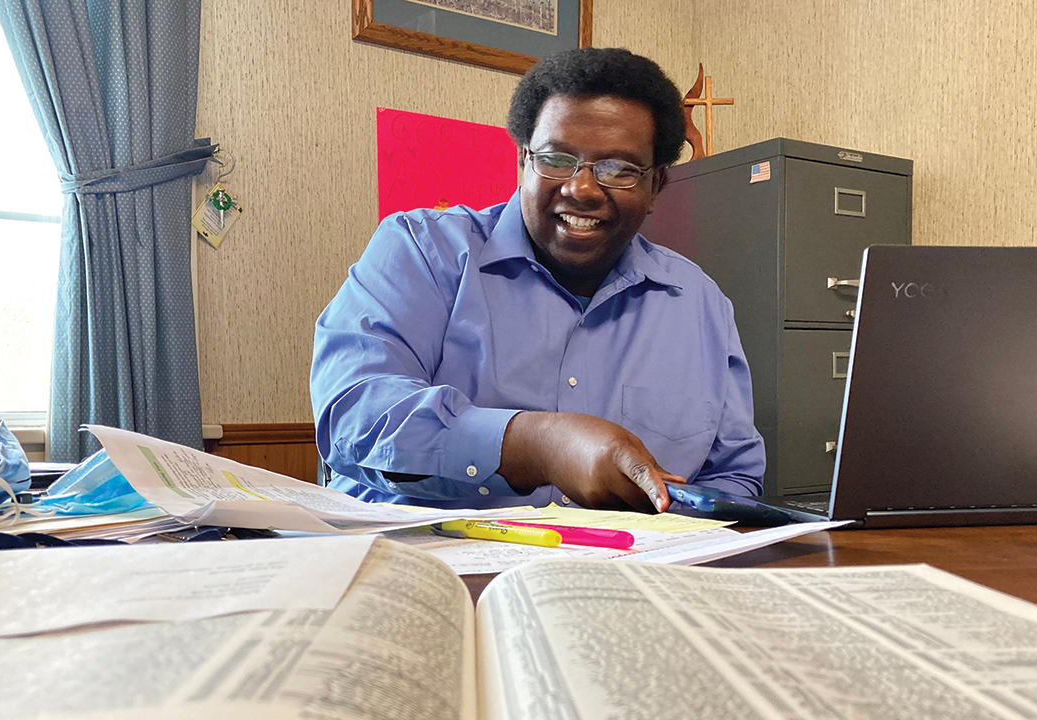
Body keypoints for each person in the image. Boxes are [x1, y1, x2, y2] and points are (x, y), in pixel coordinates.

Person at [310, 47, 764, 513]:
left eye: (619, 169)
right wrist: (539, 444)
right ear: (523, 161)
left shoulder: (700, 302)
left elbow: (733, 476)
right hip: (428, 567)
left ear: (656, 188)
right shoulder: (421, 252)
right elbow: (353, 415)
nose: (582, 188)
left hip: (626, 574)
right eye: (557, 158)